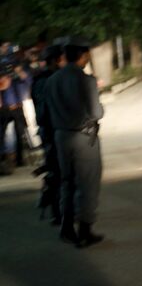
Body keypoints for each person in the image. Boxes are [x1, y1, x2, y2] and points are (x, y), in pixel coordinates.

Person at [45, 36, 104, 247]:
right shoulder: (85, 80)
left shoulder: (52, 80)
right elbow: (96, 112)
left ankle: (66, 227)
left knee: (67, 182)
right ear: (83, 55)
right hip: (83, 136)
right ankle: (85, 230)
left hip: (61, 136)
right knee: (87, 184)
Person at [30, 45, 66, 224]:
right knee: (61, 173)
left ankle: (55, 211)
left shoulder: (38, 80)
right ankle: (60, 213)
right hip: (56, 130)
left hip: (46, 131)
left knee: (54, 171)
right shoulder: (54, 79)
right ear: (55, 60)